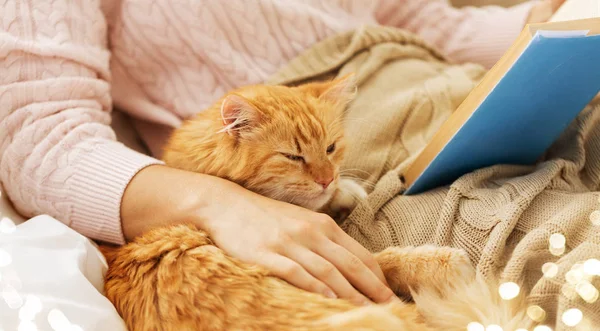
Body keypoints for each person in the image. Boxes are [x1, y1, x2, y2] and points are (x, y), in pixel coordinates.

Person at [0, 0, 564, 306]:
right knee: (559, 255)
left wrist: (556, 17)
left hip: (450, 88)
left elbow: (415, 21)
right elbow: (41, 135)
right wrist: (223, 206)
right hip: (330, 139)